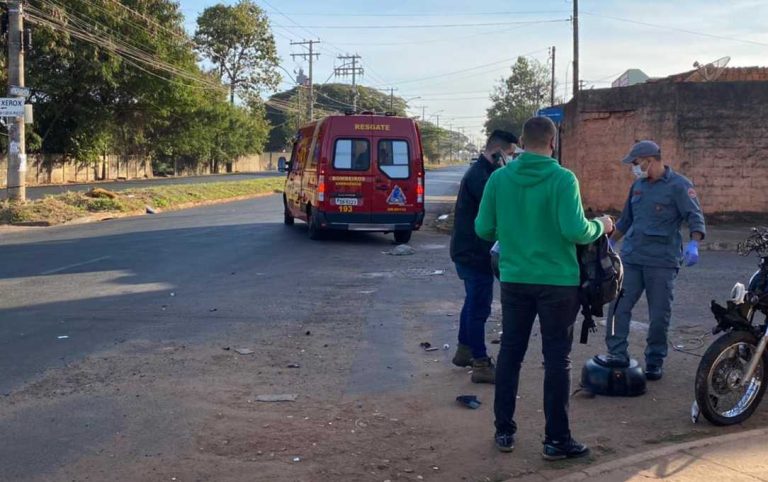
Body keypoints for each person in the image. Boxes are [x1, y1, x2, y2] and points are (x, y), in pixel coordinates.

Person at [475, 116, 614, 459]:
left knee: (510, 354)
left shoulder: (499, 179)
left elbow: (483, 229)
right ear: (553, 143)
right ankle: (556, 440)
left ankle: (504, 431)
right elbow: (576, 231)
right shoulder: (563, 179)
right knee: (556, 360)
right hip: (558, 284)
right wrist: (602, 225)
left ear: (522, 143)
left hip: (515, 279)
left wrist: (514, 230)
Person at [601, 140, 706, 381]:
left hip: (662, 261)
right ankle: (617, 353)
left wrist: (694, 243)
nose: (634, 168)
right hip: (632, 257)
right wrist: (610, 243)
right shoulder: (637, 186)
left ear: (650, 160)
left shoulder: (679, 185)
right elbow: (626, 220)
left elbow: (695, 216)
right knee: (618, 306)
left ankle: (655, 360)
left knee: (659, 315)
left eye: (636, 163)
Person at [450, 129, 518, 384]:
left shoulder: (485, 173)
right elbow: (498, 210)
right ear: (498, 152)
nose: (511, 160)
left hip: (471, 250)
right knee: (479, 307)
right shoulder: (481, 177)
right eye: (510, 155)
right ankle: (480, 363)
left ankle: (464, 350)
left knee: (472, 301)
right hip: (473, 253)